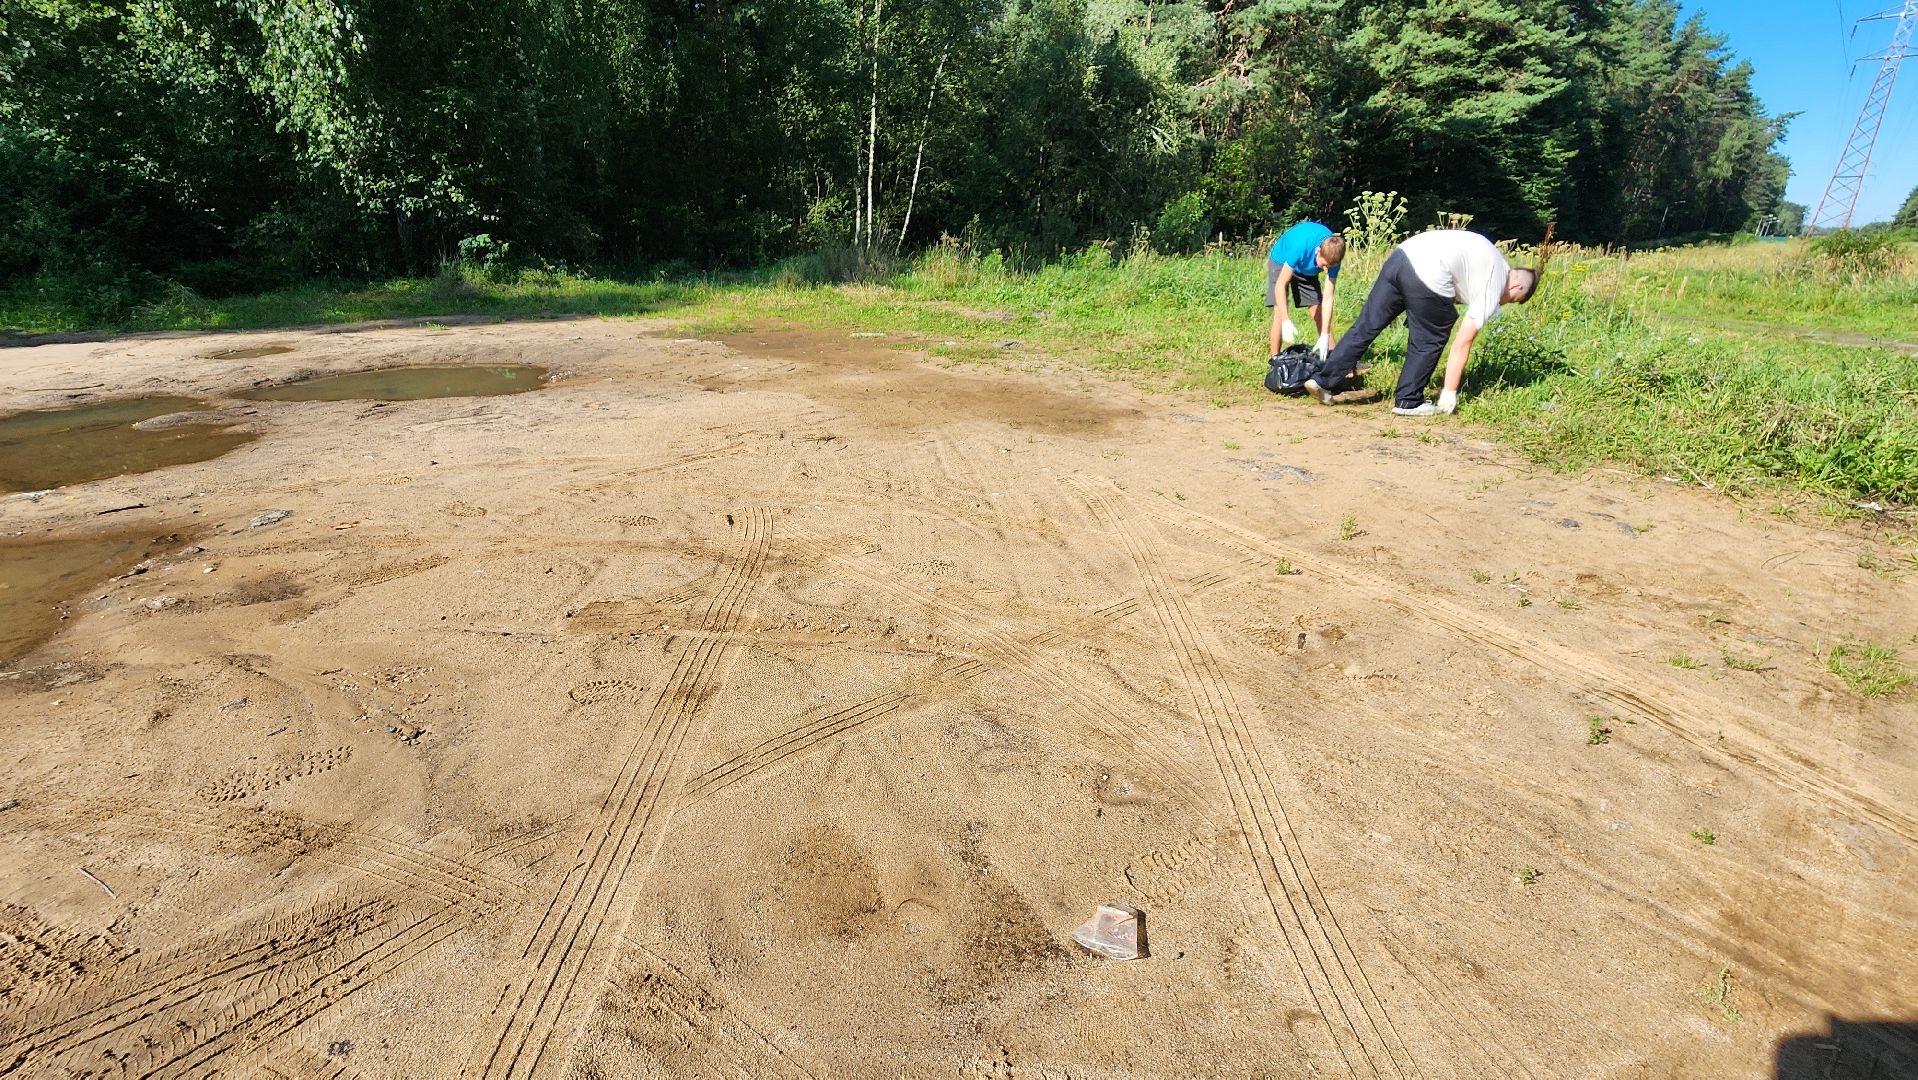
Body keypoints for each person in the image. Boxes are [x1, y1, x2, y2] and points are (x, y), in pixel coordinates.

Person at [1304, 229, 1538, 416]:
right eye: (1512, 300)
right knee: (1430, 338)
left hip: (1401, 257)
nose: (1503, 303)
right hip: (1429, 272)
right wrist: (1449, 392)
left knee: (1366, 325)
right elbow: (1462, 343)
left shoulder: (1489, 254)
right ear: (1517, 286)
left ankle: (1322, 381)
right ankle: (1408, 400)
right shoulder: (1494, 282)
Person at [1266, 221, 1345, 359]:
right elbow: (1281, 284)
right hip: (1281, 260)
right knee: (1279, 313)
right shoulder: (1300, 246)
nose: (1326, 269)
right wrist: (1286, 320)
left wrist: (1325, 335)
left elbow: (1328, 298)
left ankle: (1335, 360)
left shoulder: (1334, 259)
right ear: (1317, 251)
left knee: (1318, 311)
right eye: (1324, 265)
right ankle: (1275, 362)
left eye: (1329, 267)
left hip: (1306, 270)